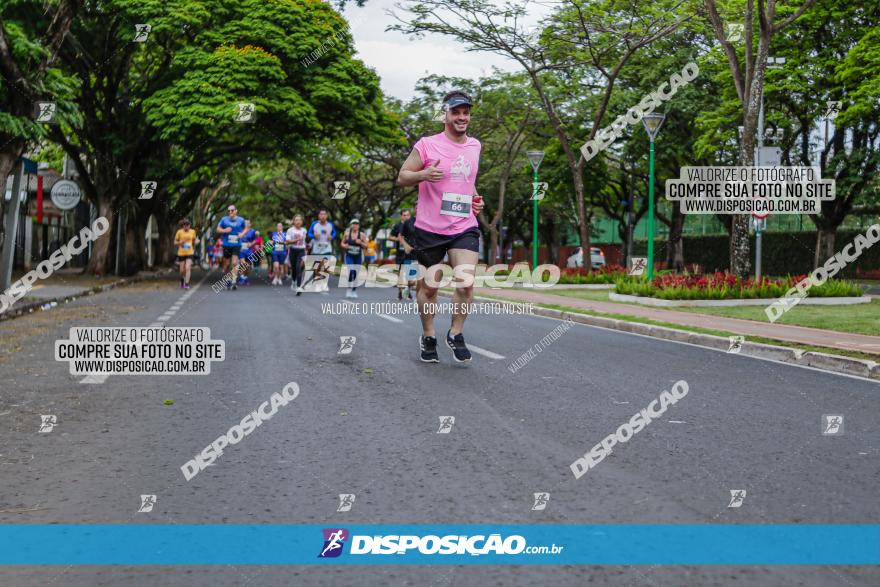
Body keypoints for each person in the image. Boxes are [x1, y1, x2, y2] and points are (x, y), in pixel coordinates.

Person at [397, 90, 484, 363]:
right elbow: (402, 176)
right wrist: (423, 174)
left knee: (466, 282)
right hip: (429, 228)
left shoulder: (475, 146)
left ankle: (455, 333)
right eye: (456, 112)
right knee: (429, 289)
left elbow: (466, 181)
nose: (461, 117)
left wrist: (474, 199)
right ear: (445, 114)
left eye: (466, 112)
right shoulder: (426, 145)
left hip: (463, 225)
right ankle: (428, 334)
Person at [217, 205, 247, 290]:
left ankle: (234, 281)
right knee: (226, 264)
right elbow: (218, 229)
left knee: (234, 263)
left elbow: (246, 228)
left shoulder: (241, 220)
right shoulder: (224, 219)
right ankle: (227, 279)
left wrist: (242, 234)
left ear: (236, 211)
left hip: (236, 244)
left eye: (232, 210)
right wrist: (224, 230)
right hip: (226, 244)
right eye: (229, 211)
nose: (230, 212)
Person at [340, 219, 368, 298]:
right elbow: (342, 243)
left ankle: (354, 290)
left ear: (358, 226)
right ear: (351, 225)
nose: (355, 225)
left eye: (356, 224)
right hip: (349, 256)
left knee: (356, 273)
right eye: (353, 224)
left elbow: (366, 246)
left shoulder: (362, 235)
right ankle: (348, 289)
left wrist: (361, 243)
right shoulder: (347, 234)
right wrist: (344, 245)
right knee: (351, 270)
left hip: (358, 256)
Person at [286, 214, 308, 295]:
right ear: (293, 221)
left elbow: (306, 242)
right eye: (296, 220)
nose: (298, 221)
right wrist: (296, 240)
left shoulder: (304, 230)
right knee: (294, 269)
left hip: (301, 251)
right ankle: (294, 281)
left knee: (299, 267)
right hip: (292, 250)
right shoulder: (290, 230)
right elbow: (287, 241)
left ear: (302, 222)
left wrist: (306, 251)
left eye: (299, 220)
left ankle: (299, 287)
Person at [174, 218, 198, 289]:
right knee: (182, 270)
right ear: (182, 226)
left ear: (190, 225)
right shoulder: (179, 232)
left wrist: (196, 242)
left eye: (187, 225)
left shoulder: (193, 232)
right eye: (184, 225)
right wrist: (180, 242)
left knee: (187, 268)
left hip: (189, 252)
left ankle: (186, 284)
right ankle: (182, 279)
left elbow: (194, 241)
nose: (186, 226)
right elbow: (175, 242)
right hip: (181, 253)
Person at [237, 219, 256, 285]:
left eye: (248, 223)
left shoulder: (252, 231)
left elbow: (254, 240)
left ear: (250, 224)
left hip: (249, 250)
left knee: (248, 266)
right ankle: (242, 277)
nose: (247, 224)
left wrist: (251, 244)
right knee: (242, 264)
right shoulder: (240, 230)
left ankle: (245, 277)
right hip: (241, 250)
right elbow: (237, 238)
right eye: (245, 223)